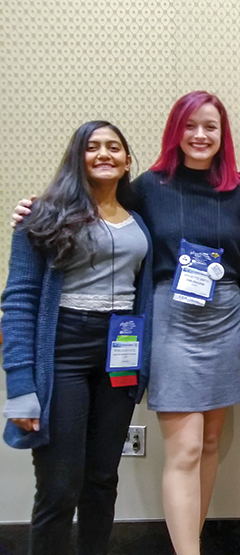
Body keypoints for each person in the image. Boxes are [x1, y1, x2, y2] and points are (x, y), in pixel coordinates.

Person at [2, 121, 153, 555]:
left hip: (120, 350)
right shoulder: (41, 215)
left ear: (127, 162)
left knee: (103, 480)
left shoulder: (138, 220)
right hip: (63, 349)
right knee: (60, 484)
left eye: (114, 147)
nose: (104, 153)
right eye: (92, 147)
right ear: (77, 156)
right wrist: (20, 387)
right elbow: (19, 301)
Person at [134, 91, 240, 555]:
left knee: (209, 443)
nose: (200, 135)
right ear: (176, 131)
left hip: (225, 315)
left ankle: (193, 541)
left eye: (210, 126)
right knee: (185, 448)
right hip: (172, 316)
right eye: (190, 126)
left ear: (222, 134)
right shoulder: (149, 186)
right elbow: (105, 221)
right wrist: (36, 210)